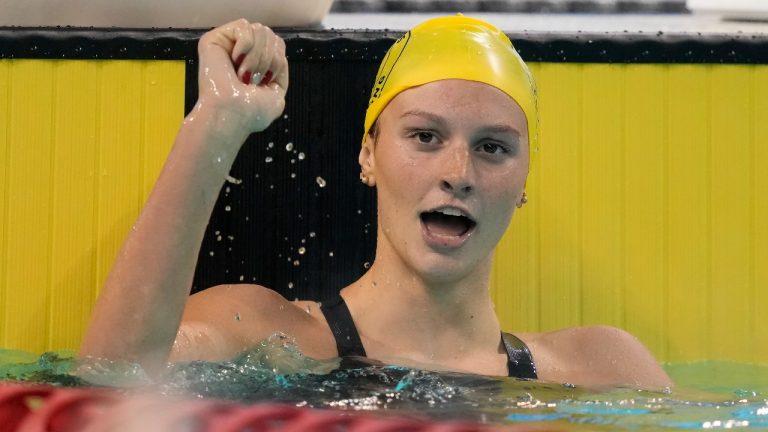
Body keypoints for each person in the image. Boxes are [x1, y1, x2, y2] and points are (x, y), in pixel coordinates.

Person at [80, 16, 673, 389]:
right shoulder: (263, 333)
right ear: (368, 155)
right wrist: (217, 122)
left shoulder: (602, 369)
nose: (458, 174)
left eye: (493, 148)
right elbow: (110, 381)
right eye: (425, 137)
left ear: (522, 186)